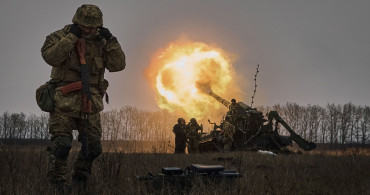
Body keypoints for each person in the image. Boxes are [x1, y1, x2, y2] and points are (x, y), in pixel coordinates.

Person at [41, 4, 126, 192]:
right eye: (85, 26)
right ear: (76, 22)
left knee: (94, 148)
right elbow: (50, 57)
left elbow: (119, 65)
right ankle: (56, 185)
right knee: (62, 145)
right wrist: (71, 38)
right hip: (63, 102)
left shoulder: (103, 42)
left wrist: (111, 40)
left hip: (91, 102)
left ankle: (80, 181)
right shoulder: (60, 36)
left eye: (93, 26)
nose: (88, 30)